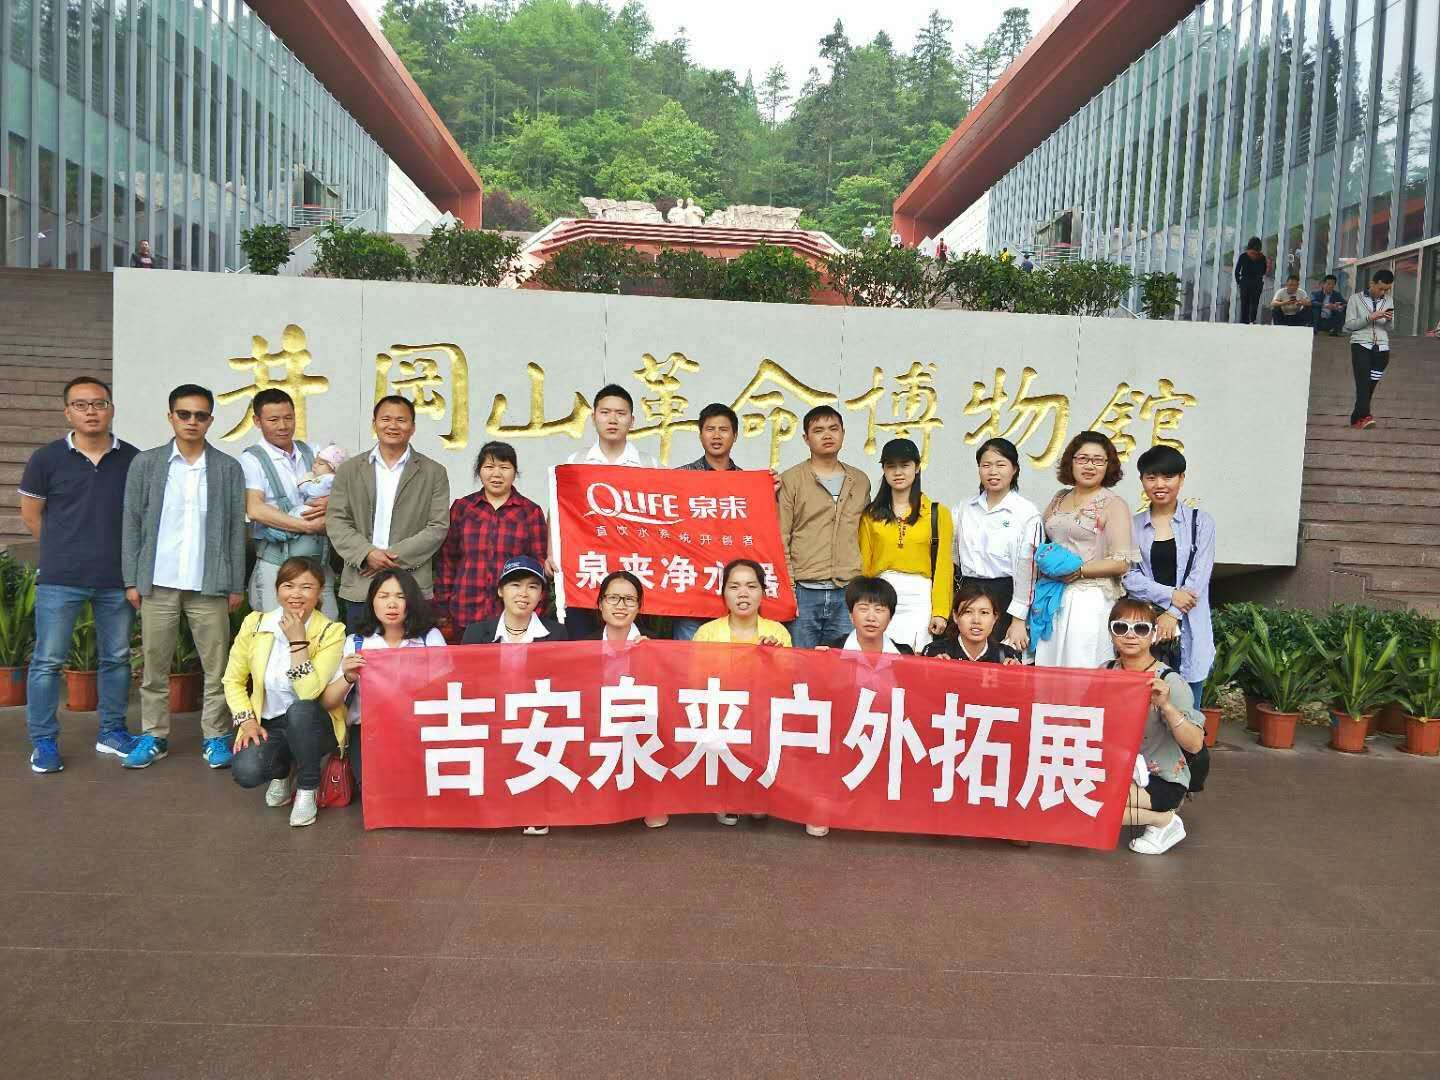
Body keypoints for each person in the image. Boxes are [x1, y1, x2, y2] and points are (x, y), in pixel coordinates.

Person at [119, 385, 247, 770]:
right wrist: (131, 579)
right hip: (158, 582)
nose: (192, 421)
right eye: (184, 414)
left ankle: (215, 736)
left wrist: (235, 584)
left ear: (210, 420)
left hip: (209, 584)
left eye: (200, 415)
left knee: (217, 667)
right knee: (154, 667)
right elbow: (131, 523)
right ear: (170, 416)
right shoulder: (147, 464)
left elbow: (235, 531)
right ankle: (154, 736)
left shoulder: (226, 468)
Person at [18, 377, 141, 774]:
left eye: (99, 403)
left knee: (116, 658)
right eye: (81, 404)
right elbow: (31, 516)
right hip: (61, 578)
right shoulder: (46, 459)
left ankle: (112, 732)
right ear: (67, 412)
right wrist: (64, 549)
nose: (91, 411)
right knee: (47, 661)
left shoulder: (133, 459)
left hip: (116, 578)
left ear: (111, 409)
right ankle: (43, 742)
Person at [225, 557, 348, 828]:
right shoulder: (256, 624)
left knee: (300, 710)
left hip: (315, 723)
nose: (296, 594)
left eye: (306, 587)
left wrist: (297, 641)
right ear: (278, 589)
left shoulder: (331, 631)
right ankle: (282, 772)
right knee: (246, 771)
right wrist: (247, 721)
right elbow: (232, 680)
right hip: (269, 723)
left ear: (320, 592)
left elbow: (308, 693)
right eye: (288, 585)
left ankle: (307, 788)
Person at [694, 560, 814, 834]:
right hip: (722, 711)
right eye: (734, 586)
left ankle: (758, 789)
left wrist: (773, 658)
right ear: (724, 593)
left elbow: (789, 685)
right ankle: (727, 793)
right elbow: (695, 682)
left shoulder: (777, 632)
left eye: (751, 586)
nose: (743, 593)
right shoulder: (706, 632)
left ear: (762, 592)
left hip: (763, 713)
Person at [460, 555, 568, 837]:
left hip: (538, 724)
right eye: (515, 585)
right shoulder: (477, 633)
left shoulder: (556, 634)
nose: (523, 593)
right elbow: (464, 684)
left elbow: (566, 686)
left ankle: (533, 803)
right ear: (500, 590)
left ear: (541, 595)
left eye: (533, 586)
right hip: (490, 721)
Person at [326, 396, 450, 629]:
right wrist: (367, 554)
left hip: (411, 584)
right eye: (386, 419)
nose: (393, 426)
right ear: (374, 424)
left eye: (401, 420)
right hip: (361, 581)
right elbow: (336, 520)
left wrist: (388, 558)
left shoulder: (434, 472)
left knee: (411, 649)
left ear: (413, 427)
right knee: (362, 649)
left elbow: (437, 527)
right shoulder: (349, 470)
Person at [320, 569, 444, 789]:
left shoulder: (430, 638)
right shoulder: (356, 642)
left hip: (418, 728)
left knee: (420, 786)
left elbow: (446, 689)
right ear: (372, 602)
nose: (392, 604)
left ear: (412, 602)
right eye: (384, 596)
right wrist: (348, 676)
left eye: (400, 596)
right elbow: (329, 702)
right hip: (370, 730)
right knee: (374, 788)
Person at [1104, 597, 1205, 855]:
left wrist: (1167, 706)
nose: (1130, 635)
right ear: (1111, 633)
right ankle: (1160, 819)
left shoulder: (1170, 681)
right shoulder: (1105, 672)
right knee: (1075, 799)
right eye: (1121, 627)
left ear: (1153, 635)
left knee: (1095, 805)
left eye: (1140, 629)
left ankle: (1164, 819)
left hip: (1161, 778)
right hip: (1115, 772)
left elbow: (1195, 744)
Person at [1033, 432, 1138, 669]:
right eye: (1082, 459)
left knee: (1082, 666)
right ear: (1071, 462)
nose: (1090, 466)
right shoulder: (1059, 498)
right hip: (1052, 594)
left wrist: (1079, 571)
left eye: (1098, 460)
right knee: (1049, 668)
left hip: (1089, 598)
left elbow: (1121, 562)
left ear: (1108, 465)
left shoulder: (1113, 504)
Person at [1122, 447, 1216, 706]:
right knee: (1142, 708)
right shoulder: (1132, 525)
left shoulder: (1200, 522)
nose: (1159, 484)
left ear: (1181, 479)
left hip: (1190, 627)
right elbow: (1128, 575)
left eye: (1168, 477)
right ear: (1142, 480)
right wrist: (1171, 596)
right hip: (1146, 628)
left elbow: (1199, 577)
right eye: (1151, 477)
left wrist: (1172, 614)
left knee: (1187, 710)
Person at [561, 384, 657, 637]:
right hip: (587, 567)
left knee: (635, 644)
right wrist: (552, 552)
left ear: (632, 420)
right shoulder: (576, 461)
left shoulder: (648, 464)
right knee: (583, 644)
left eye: (620, 413)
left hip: (634, 567)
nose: (613, 420)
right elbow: (559, 511)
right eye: (605, 413)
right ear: (594, 417)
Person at [778, 406, 871, 648]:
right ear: (806, 438)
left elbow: (866, 534)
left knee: (843, 664)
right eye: (818, 430)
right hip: (803, 591)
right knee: (800, 663)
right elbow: (781, 538)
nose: (827, 435)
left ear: (843, 433)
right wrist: (789, 590)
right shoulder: (791, 479)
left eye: (833, 429)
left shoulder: (860, 481)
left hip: (848, 591)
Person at [432, 441, 548, 637]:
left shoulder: (530, 512)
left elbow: (539, 566)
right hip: (465, 612)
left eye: (504, 467)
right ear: (479, 471)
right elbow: (448, 561)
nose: (496, 474)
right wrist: (443, 607)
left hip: (513, 617)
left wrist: (536, 611)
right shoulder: (463, 508)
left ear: (515, 472)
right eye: (489, 467)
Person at [240, 388, 337, 619]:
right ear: (257, 421)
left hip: (317, 561)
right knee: (275, 629)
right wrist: (307, 526)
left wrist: (331, 503)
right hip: (276, 562)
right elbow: (255, 509)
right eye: (273, 420)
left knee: (327, 626)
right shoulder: (251, 459)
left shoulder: (313, 451)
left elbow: (343, 491)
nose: (282, 426)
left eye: (288, 418)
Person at [582, 570, 669, 830]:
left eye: (629, 600)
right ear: (600, 604)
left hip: (641, 729)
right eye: (613, 598)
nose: (621, 606)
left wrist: (652, 658)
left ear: (639, 606)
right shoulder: (582, 646)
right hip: (597, 728)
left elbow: (670, 696)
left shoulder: (656, 643)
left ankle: (650, 797)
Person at [857, 437, 954, 652]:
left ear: (917, 467)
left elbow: (944, 567)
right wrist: (863, 607)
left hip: (920, 597)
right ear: (883, 470)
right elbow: (865, 566)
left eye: (905, 465)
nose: (898, 472)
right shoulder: (871, 515)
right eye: (891, 466)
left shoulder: (937, 513)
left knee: (917, 660)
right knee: (880, 660)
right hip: (882, 596)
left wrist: (940, 611)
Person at [954, 437, 1042, 653]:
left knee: (1003, 659)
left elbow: (1029, 568)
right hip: (968, 594)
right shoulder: (964, 508)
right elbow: (952, 555)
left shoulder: (1027, 513)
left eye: (1001, 465)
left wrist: (1018, 619)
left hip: (1007, 594)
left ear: (1014, 469)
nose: (993, 472)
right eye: (986, 465)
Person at [1343, 268, 1395, 430]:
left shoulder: (1389, 300)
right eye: (1381, 288)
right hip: (1361, 345)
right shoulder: (1355, 299)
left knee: (1369, 386)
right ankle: (1366, 416)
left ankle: (1356, 418)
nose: (1383, 293)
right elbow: (1349, 325)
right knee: (1363, 384)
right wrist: (1369, 317)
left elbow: (1390, 328)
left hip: (1382, 349)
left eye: (1387, 290)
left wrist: (1388, 320)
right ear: (1372, 283)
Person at [923, 584, 1019, 664]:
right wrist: (931, 668)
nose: (976, 620)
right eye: (968, 612)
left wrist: (1016, 672)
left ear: (995, 617)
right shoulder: (934, 651)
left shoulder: (1006, 655)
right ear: (955, 616)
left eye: (984, 612)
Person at [820, 576, 913, 654]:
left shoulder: (904, 654)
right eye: (863, 609)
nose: (871, 618)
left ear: (890, 618)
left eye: (879, 610)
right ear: (851, 615)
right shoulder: (831, 650)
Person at [1234, 236, 1268, 324]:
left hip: (1250, 282)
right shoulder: (1260, 257)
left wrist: (1240, 282)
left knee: (1249, 304)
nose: (1254, 254)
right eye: (1252, 252)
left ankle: (1248, 321)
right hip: (1251, 282)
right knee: (1249, 304)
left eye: (1255, 253)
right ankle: (1248, 321)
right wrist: (1240, 282)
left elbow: (1237, 271)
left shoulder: (1246, 256)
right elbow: (1264, 271)